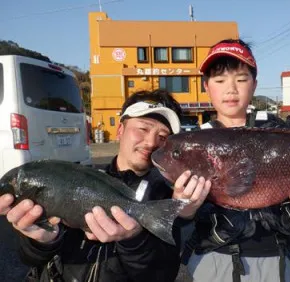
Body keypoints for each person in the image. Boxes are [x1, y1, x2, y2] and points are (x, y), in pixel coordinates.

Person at [0, 89, 210, 282]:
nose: (150, 142)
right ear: (120, 130)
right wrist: (40, 242)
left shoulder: (164, 196)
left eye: (162, 137)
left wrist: (134, 241)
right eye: (143, 129)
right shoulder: (75, 176)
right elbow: (31, 258)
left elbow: (162, 273)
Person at [182, 39, 290, 282]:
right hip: (216, 260)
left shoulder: (278, 132)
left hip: (280, 257)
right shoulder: (191, 143)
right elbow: (180, 214)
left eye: (241, 79)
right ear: (206, 86)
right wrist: (185, 207)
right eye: (219, 81)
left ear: (255, 84)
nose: (231, 89)